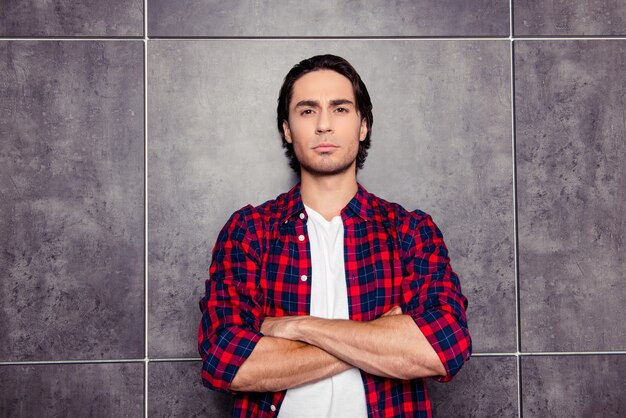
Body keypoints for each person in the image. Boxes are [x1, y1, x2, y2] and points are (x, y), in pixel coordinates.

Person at [198, 54, 471, 417]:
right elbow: (226, 358)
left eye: (340, 109)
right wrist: (378, 338)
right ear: (287, 129)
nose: (324, 125)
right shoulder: (249, 231)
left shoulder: (410, 231)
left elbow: (444, 347)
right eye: (308, 111)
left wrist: (298, 327)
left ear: (362, 125)